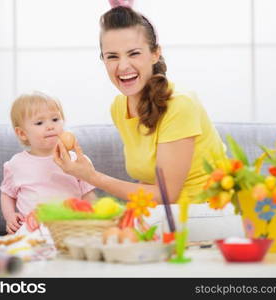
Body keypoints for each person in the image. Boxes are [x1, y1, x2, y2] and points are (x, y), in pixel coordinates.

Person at [54, 3, 225, 205]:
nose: (123, 66)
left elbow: (166, 194)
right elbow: (149, 180)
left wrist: (92, 176)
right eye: (112, 56)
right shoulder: (119, 107)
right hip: (164, 216)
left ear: (155, 53)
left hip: (208, 213)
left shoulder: (179, 105)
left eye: (134, 53)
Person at [0, 92, 96, 234]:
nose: (50, 126)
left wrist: (91, 219)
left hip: (69, 227)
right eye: (39, 123)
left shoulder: (76, 160)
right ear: (22, 133)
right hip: (31, 228)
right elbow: (7, 194)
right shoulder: (16, 164)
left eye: (55, 119)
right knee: (17, 244)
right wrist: (10, 216)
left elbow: (88, 194)